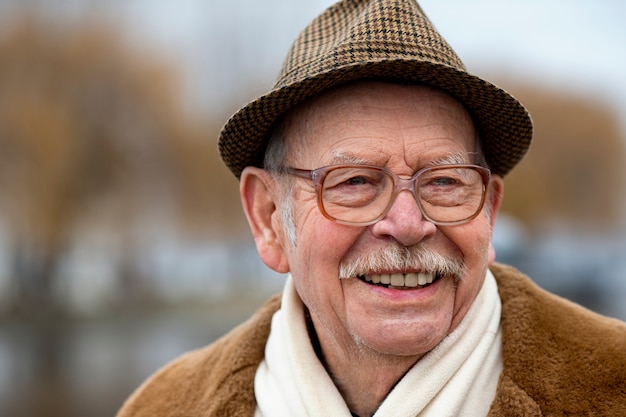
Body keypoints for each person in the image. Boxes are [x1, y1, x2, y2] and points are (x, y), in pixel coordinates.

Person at [117, 0, 626, 416]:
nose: (407, 224)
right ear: (269, 218)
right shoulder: (163, 407)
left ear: (488, 213)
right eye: (356, 181)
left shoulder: (612, 382)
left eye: (445, 182)